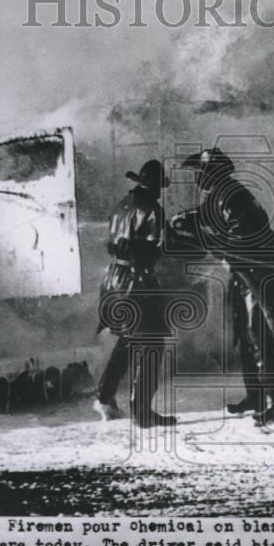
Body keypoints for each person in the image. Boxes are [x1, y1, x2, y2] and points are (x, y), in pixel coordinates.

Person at [178, 148, 274, 427]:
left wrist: (213, 244)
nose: (197, 178)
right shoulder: (223, 193)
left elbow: (241, 238)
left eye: (200, 172)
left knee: (260, 340)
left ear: (212, 172)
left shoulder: (231, 196)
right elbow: (209, 217)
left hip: (258, 276)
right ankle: (256, 397)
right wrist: (188, 218)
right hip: (246, 277)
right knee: (245, 338)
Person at [94, 159, 176, 428]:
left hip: (114, 280)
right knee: (152, 344)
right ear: (154, 187)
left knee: (128, 340)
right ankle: (141, 412)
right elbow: (167, 246)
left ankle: (104, 398)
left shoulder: (121, 205)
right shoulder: (152, 209)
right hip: (137, 281)